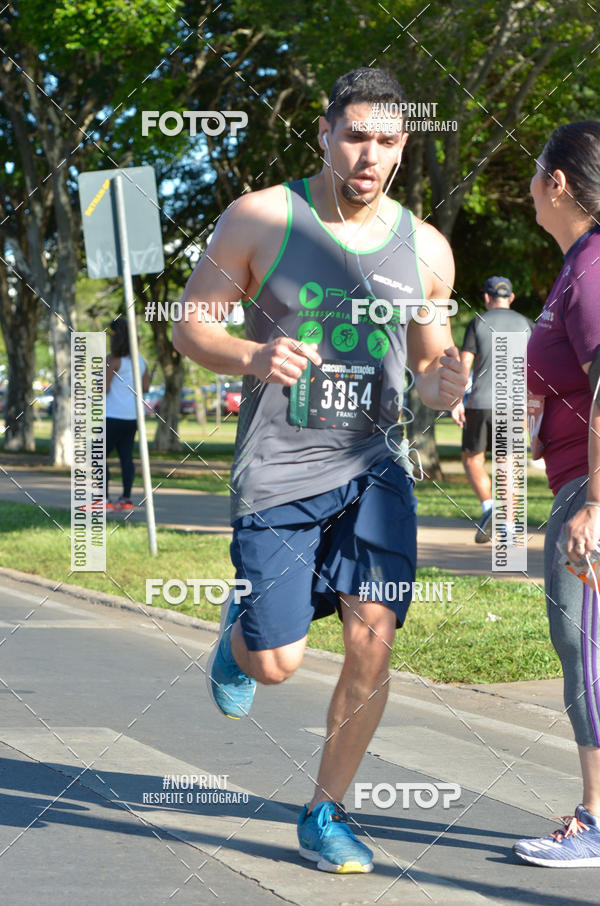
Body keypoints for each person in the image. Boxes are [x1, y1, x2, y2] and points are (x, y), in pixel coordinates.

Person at [174, 68, 467, 874]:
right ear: (325, 134)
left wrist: (445, 384)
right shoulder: (262, 217)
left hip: (375, 467)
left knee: (373, 639)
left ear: (404, 149)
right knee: (278, 664)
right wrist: (251, 352)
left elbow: (432, 364)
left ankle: (326, 811)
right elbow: (191, 327)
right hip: (278, 470)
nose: (369, 155)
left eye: (387, 141)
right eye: (355, 136)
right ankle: (242, 640)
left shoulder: (426, 248)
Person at [513, 121, 600, 867]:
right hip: (574, 479)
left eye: (536, 173)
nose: (529, 187)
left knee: (585, 648)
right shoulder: (579, 264)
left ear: (560, 184)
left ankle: (596, 820)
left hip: (592, 489)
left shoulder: (594, 266)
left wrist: (595, 504)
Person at [451, 277, 532, 543]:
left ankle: (489, 507)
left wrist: (456, 400)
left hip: (481, 403)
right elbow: (536, 368)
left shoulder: (477, 322)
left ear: (487, 298)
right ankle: (508, 528)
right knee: (507, 464)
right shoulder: (528, 325)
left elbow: (465, 364)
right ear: (511, 297)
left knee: (472, 459)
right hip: (514, 406)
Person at [105, 316, 150, 511]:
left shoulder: (112, 360)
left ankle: (104, 500)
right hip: (132, 417)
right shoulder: (140, 361)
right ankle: (126, 499)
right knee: (126, 457)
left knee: (98, 456)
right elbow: (146, 387)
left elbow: (103, 388)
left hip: (112, 416)